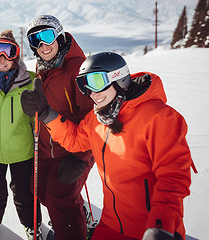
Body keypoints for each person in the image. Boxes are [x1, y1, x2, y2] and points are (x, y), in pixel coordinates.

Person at [22, 52, 192, 240]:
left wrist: (160, 226)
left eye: (96, 81)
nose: (92, 93)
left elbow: (173, 177)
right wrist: (47, 113)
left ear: (119, 79)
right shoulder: (97, 119)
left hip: (151, 230)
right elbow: (75, 140)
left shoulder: (159, 117)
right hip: (111, 224)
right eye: (84, 85)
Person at [23, 15, 95, 240]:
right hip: (47, 149)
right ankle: (76, 214)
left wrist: (81, 157)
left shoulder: (76, 68)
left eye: (47, 36)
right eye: (35, 40)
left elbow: (92, 116)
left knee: (59, 198)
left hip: (73, 151)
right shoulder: (44, 65)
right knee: (40, 192)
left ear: (59, 34)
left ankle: (72, 231)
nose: (42, 45)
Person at [0, 29, 41, 240]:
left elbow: (43, 111)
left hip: (22, 150)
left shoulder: (31, 81)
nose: (2, 58)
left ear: (16, 55)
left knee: (26, 193)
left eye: (9, 51)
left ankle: (33, 225)